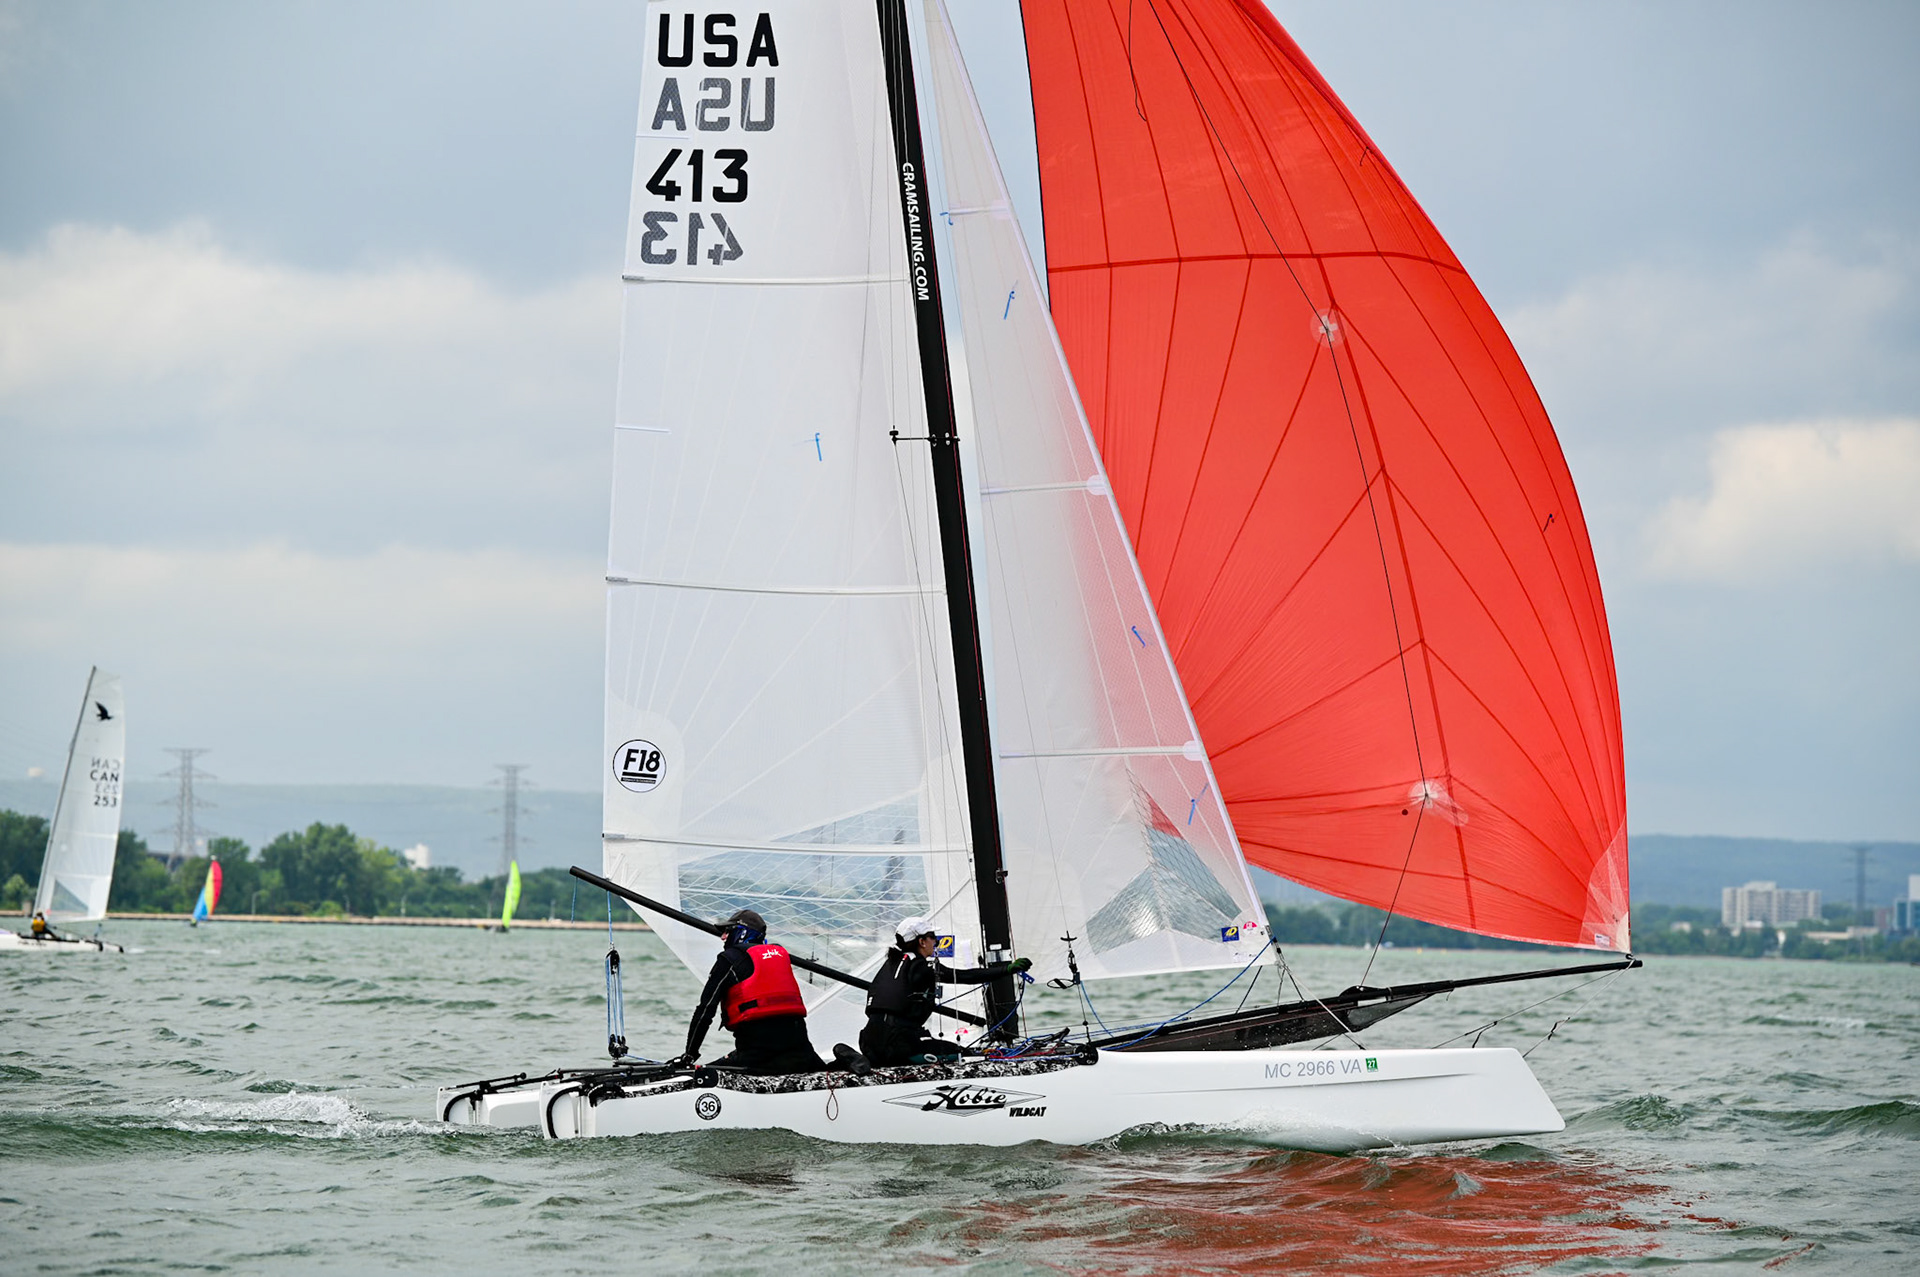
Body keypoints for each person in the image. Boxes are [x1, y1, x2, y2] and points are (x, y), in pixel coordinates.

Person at [673, 908, 827, 1076]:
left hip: (757, 1056)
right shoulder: (780, 955)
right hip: (802, 1051)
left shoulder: (728, 959)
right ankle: (841, 1061)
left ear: (742, 932)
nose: (723, 937)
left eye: (727, 931)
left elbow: (705, 1010)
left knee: (700, 1072)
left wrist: (690, 1055)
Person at [859, 916, 1030, 1067]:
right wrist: (1007, 969)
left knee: (930, 1046)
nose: (936, 942)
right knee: (966, 1056)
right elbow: (964, 976)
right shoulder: (921, 967)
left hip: (869, 1044)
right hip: (898, 1046)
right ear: (922, 942)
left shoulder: (891, 963)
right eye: (933, 937)